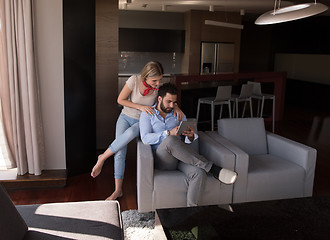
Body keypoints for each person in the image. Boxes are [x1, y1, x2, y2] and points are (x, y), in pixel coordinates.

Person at [91, 61, 183, 200]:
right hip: (125, 117)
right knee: (120, 152)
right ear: (145, 76)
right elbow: (120, 100)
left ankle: (103, 157)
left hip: (142, 121)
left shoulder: (158, 88)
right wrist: (139, 106)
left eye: (159, 80)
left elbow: (167, 99)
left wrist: (175, 106)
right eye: (154, 80)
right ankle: (118, 190)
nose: (158, 84)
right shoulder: (133, 80)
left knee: (130, 133)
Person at [139, 83, 238, 207]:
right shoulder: (148, 114)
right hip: (163, 159)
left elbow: (188, 138)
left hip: (182, 158)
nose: (171, 105)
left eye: (174, 103)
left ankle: (192, 214)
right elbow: (145, 138)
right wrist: (168, 133)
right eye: (168, 102)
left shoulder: (178, 114)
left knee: (199, 173)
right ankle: (212, 168)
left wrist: (190, 136)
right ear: (159, 99)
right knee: (170, 140)